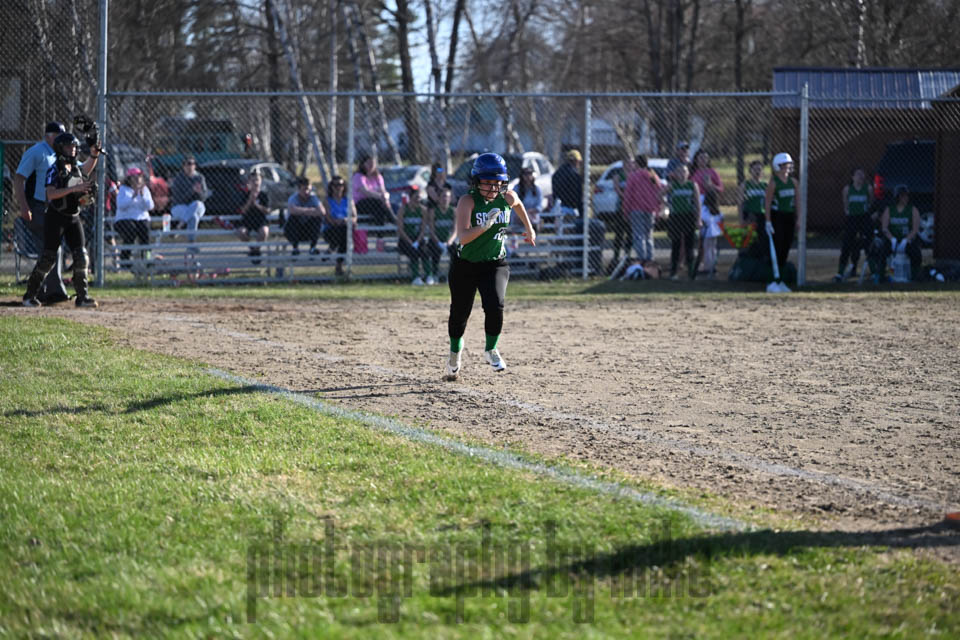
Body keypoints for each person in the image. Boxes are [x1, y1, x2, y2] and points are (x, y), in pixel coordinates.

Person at [445, 153, 536, 380]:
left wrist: (529, 228)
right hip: (466, 264)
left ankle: (491, 349)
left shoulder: (506, 197)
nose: (493, 187)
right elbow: (463, 237)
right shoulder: (468, 201)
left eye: (498, 182)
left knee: (495, 305)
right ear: (477, 181)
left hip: (495, 263)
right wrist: (484, 227)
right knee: (459, 314)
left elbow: (518, 204)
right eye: (488, 182)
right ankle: (455, 353)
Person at [21, 132, 101, 307]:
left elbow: (87, 167)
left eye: (74, 147)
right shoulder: (54, 168)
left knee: (81, 256)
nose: (72, 150)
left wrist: (94, 153)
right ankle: (29, 296)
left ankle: (82, 297)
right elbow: (50, 194)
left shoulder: (76, 168)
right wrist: (74, 189)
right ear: (59, 148)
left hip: (73, 217)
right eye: (68, 146)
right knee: (48, 258)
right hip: (55, 217)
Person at [13, 121, 70, 303]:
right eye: (58, 136)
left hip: (51, 208)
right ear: (48, 136)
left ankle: (44, 291)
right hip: (36, 207)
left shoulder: (58, 155)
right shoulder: (37, 152)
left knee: (51, 249)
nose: (62, 140)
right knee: (51, 248)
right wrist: (24, 206)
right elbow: (19, 179)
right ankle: (50, 291)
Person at [763, 152, 800, 292]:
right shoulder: (774, 183)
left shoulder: (793, 182)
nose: (787, 168)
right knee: (776, 249)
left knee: (785, 249)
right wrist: (768, 221)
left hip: (789, 217)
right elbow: (767, 203)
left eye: (789, 165)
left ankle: (781, 281)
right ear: (777, 166)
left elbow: (798, 201)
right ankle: (771, 282)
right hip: (777, 217)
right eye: (784, 165)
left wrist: (799, 219)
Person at [871, 184, 921, 282]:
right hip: (892, 240)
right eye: (902, 196)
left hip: (906, 240)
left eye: (906, 196)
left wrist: (906, 240)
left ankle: (914, 276)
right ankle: (880, 276)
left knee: (916, 253)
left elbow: (915, 229)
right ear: (897, 197)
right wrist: (892, 239)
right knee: (882, 252)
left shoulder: (913, 210)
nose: (905, 198)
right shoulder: (889, 209)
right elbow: (884, 228)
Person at [834, 168, 874, 282]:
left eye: (862, 174)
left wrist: (867, 213)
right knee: (847, 244)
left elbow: (871, 202)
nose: (860, 177)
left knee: (868, 243)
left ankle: (874, 271)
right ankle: (840, 272)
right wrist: (849, 214)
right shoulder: (847, 189)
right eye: (858, 174)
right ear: (852, 177)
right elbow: (846, 205)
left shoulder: (868, 188)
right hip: (852, 219)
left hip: (864, 218)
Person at [663, 163, 701, 280]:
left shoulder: (692, 185)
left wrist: (698, 219)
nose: (682, 174)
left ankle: (691, 272)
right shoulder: (672, 185)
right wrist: (666, 204)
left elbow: (697, 203)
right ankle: (673, 272)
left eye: (684, 171)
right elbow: (659, 194)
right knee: (676, 244)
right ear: (675, 174)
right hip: (675, 216)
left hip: (688, 216)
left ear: (688, 173)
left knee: (690, 245)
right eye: (679, 171)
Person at [623, 154, 663, 264]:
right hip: (650, 209)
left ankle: (642, 258)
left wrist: (626, 210)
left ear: (637, 163)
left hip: (636, 209)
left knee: (638, 235)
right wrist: (658, 208)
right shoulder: (653, 175)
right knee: (648, 236)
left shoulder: (633, 176)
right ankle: (650, 259)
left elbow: (628, 195)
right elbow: (659, 192)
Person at [690, 149, 724, 275]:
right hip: (698, 204)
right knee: (702, 239)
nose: (703, 160)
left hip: (711, 205)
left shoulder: (712, 172)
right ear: (696, 159)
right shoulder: (693, 173)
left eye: (705, 158)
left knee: (710, 239)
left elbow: (720, 188)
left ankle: (710, 266)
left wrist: (711, 186)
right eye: (701, 158)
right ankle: (702, 264)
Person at [114, 167, 155, 268]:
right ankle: (125, 260)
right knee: (131, 232)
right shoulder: (124, 189)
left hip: (141, 218)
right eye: (134, 177)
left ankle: (147, 257)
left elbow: (150, 206)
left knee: (145, 231)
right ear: (129, 178)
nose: (137, 179)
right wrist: (132, 196)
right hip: (125, 219)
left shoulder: (145, 190)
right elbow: (120, 206)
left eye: (139, 176)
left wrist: (143, 196)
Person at [169, 155, 208, 247]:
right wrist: (192, 191)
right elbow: (179, 199)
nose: (190, 166)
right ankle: (191, 243)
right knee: (193, 217)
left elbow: (204, 197)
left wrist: (199, 193)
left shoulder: (200, 177)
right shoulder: (178, 179)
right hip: (180, 206)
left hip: (197, 206)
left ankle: (180, 226)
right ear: (183, 166)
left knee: (197, 204)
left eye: (192, 164)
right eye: (188, 164)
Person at [422, 184, 457, 283]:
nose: (445, 199)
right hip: (436, 240)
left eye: (448, 197)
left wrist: (449, 242)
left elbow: (455, 230)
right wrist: (438, 242)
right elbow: (431, 230)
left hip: (448, 240)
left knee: (456, 252)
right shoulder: (433, 211)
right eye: (443, 196)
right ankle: (434, 275)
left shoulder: (453, 211)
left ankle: (451, 275)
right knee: (434, 251)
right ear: (439, 198)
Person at [606, 156, 636, 270]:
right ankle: (616, 256)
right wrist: (626, 197)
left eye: (632, 163)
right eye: (628, 163)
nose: (630, 165)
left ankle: (627, 255)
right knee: (619, 232)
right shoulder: (618, 176)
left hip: (632, 208)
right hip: (621, 207)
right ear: (624, 165)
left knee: (630, 233)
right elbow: (617, 189)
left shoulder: (635, 176)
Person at [235, 171, 271, 263]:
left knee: (264, 232)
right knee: (241, 232)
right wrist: (250, 200)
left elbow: (267, 211)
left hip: (260, 220)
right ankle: (253, 249)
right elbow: (242, 211)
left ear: (261, 181)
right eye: (253, 180)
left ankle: (256, 250)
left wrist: (257, 205)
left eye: (257, 180)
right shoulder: (245, 195)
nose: (255, 182)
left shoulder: (263, 195)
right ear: (249, 182)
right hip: (247, 220)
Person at [284, 177, 325, 256]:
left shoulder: (313, 197)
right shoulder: (293, 198)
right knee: (293, 218)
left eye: (309, 189)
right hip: (294, 231)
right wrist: (311, 211)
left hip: (308, 231)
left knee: (317, 219)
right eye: (304, 189)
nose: (307, 192)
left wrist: (300, 211)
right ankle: (295, 248)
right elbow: (292, 210)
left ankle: (313, 248)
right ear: (299, 189)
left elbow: (322, 212)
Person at [323, 176, 355, 276]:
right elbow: (327, 217)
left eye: (340, 185)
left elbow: (354, 217)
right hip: (331, 229)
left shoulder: (348, 200)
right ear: (331, 187)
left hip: (345, 228)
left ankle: (331, 249)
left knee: (345, 233)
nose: (338, 187)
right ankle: (339, 265)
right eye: (335, 185)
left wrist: (346, 220)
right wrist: (335, 221)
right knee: (344, 234)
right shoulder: (327, 200)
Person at [351, 154, 392, 227]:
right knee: (379, 203)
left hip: (377, 203)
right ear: (363, 164)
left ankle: (381, 229)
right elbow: (366, 192)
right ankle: (392, 220)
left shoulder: (378, 177)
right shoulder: (358, 176)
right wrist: (381, 197)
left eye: (373, 163)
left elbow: (383, 191)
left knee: (386, 207)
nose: (371, 165)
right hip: (360, 203)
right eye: (368, 163)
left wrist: (386, 197)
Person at [700, 190, 724, 278]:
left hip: (707, 233)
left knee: (707, 249)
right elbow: (721, 218)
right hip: (715, 232)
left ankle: (708, 267)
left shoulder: (705, 209)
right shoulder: (716, 209)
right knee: (713, 249)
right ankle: (712, 266)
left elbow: (703, 218)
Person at [738, 160, 767, 226]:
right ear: (750, 171)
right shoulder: (745, 185)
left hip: (762, 214)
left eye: (759, 169)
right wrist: (741, 219)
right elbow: (740, 203)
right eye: (755, 169)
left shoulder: (765, 185)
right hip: (749, 214)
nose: (757, 171)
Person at [514, 166, 543, 232]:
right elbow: (513, 205)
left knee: (530, 217)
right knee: (525, 217)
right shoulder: (517, 188)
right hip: (518, 216)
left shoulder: (537, 189)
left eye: (530, 173)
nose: (528, 176)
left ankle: (532, 229)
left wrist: (529, 211)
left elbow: (539, 207)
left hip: (533, 216)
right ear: (522, 176)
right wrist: (524, 213)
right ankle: (533, 228)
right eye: (525, 174)